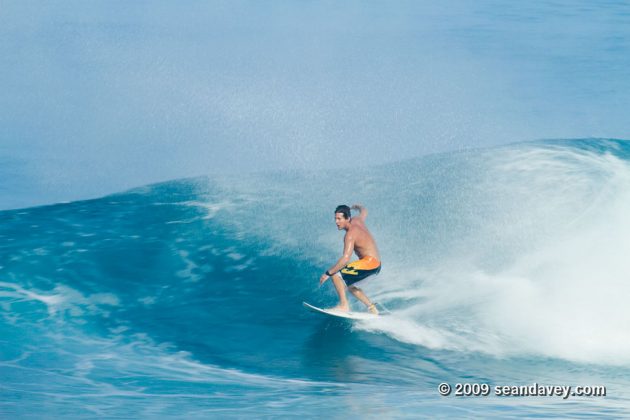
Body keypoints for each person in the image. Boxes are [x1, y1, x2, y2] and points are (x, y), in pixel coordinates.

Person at [319, 204, 381, 314]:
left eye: (339, 219)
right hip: (376, 265)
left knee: (336, 276)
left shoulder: (350, 235)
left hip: (370, 263)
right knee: (351, 286)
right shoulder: (357, 219)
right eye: (335, 219)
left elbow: (346, 258)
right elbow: (364, 211)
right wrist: (359, 207)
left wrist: (328, 273)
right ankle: (372, 308)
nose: (336, 222)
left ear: (347, 218)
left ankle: (344, 306)